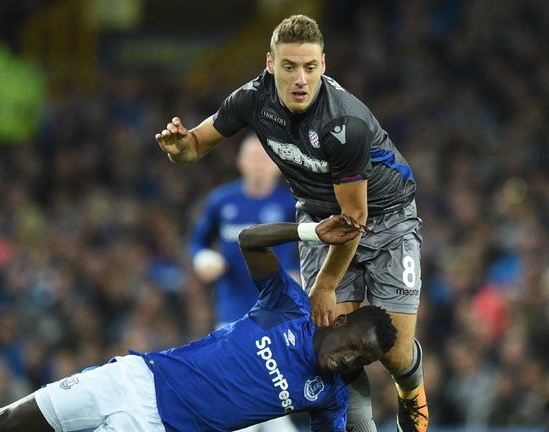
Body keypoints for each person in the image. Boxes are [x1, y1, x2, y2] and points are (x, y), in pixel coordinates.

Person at [155, 14, 427, 432]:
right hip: (321, 216)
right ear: (269, 64)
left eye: (310, 67)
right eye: (289, 66)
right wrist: (178, 148)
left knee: (394, 352)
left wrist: (326, 284)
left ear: (323, 65)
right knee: (338, 336)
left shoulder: (344, 124)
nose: (300, 78)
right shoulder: (251, 99)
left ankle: (411, 386)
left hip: (387, 219)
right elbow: (194, 146)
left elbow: (355, 219)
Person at [0, 215, 397, 432]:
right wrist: (309, 231)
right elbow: (248, 240)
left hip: (156, 429)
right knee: (9, 424)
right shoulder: (290, 306)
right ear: (342, 320)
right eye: (355, 344)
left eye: (364, 359)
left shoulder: (330, 398)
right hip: (132, 376)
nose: (350, 358)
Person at [189, 133, 301, 432]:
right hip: (231, 318)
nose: (259, 164)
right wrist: (203, 260)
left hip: (276, 320)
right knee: (250, 404)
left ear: (277, 164)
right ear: (240, 162)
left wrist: (300, 275)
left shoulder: (290, 205)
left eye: (265, 157)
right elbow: (197, 242)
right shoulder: (221, 201)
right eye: (252, 157)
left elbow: (312, 250)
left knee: (265, 404)